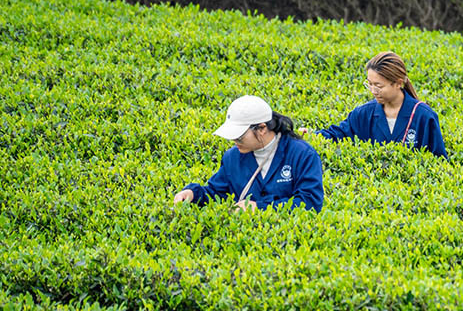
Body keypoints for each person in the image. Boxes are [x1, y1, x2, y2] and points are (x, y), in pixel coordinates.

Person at [173, 95, 324, 212]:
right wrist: (193, 194)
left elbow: (310, 202)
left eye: (239, 137)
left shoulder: (302, 154)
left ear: (262, 128)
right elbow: (216, 193)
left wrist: (260, 208)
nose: (234, 141)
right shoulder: (232, 157)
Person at [303, 51, 447, 157]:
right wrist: (309, 135)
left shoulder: (424, 116)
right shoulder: (363, 114)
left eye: (378, 86)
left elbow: (438, 161)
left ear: (398, 83)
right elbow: (336, 135)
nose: (373, 91)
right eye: (369, 84)